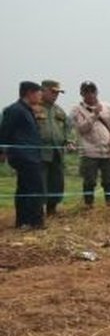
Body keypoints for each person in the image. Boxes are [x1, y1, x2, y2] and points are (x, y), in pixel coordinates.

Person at [0, 81, 48, 229]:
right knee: (35, 188)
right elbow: (4, 132)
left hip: (31, 154)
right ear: (29, 93)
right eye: (39, 92)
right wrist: (1, 151)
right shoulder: (15, 110)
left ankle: (23, 222)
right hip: (24, 156)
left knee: (25, 188)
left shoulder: (26, 109)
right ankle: (34, 222)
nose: (40, 96)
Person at [70, 81, 110, 208]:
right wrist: (94, 114)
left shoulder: (107, 106)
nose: (90, 94)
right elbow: (82, 128)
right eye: (86, 91)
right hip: (89, 152)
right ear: (82, 94)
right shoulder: (77, 110)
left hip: (108, 151)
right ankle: (88, 205)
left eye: (92, 91)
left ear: (97, 92)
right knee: (89, 180)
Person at [36, 80, 71, 218]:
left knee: (56, 182)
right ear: (43, 90)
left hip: (57, 152)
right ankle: (38, 211)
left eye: (58, 92)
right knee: (40, 182)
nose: (56, 95)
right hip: (40, 152)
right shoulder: (34, 108)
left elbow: (66, 130)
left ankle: (52, 209)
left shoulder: (59, 111)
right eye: (53, 92)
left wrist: (68, 141)